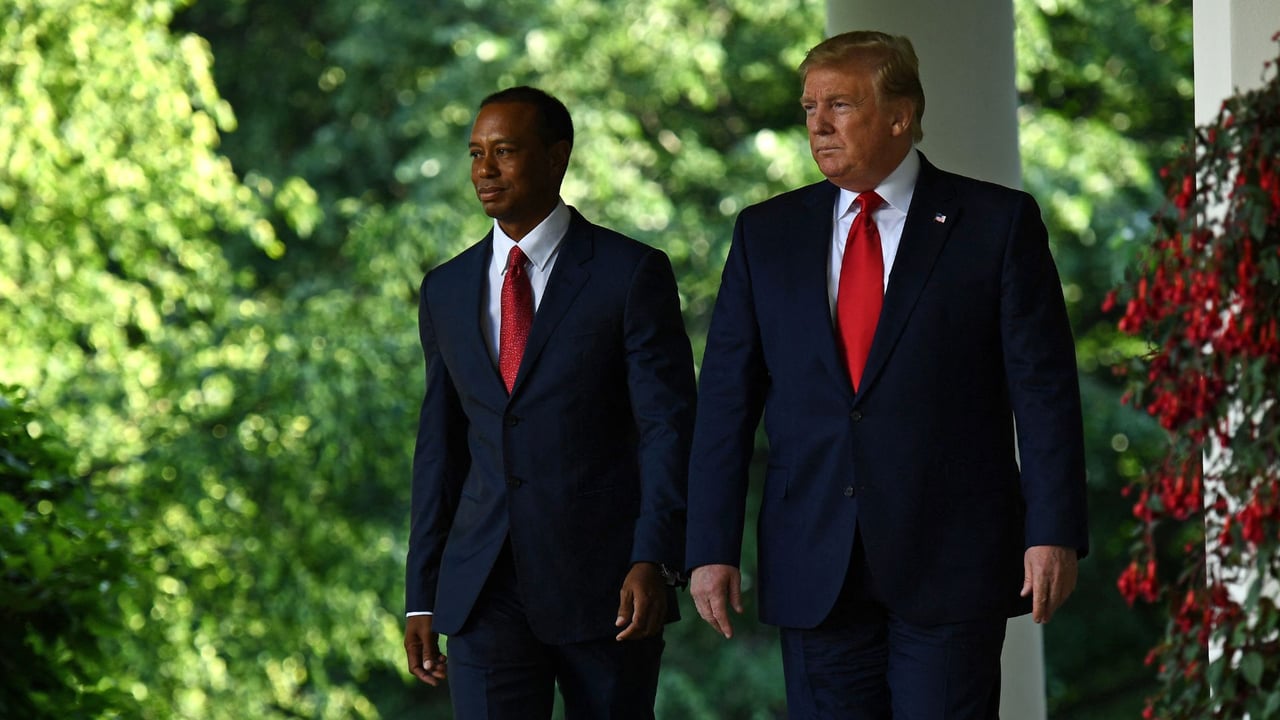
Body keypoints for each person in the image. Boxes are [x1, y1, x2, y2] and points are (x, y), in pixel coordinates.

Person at [685, 31, 1088, 719]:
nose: (817, 122)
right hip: (814, 561)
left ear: (900, 115)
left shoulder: (995, 224)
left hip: (950, 559)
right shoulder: (765, 234)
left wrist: (1052, 530)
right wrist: (708, 547)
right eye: (810, 105)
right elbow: (725, 402)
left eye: (839, 104)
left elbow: (1043, 391)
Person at [403, 86, 696, 719]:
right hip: (483, 588)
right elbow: (440, 451)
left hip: (609, 586)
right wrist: (421, 597)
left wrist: (654, 557)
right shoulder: (446, 289)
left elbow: (666, 429)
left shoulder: (631, 273)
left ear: (557, 156)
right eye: (476, 153)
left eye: (504, 151)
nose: (485, 170)